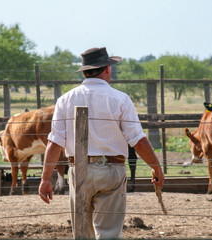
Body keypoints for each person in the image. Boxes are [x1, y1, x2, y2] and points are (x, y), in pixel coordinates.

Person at [38, 47, 164, 239]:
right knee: (109, 233)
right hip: (112, 170)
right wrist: (156, 167)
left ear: (85, 71)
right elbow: (137, 140)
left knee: (82, 232)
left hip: (77, 169)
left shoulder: (65, 100)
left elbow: (54, 143)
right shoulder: (121, 99)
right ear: (107, 69)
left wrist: (46, 179)